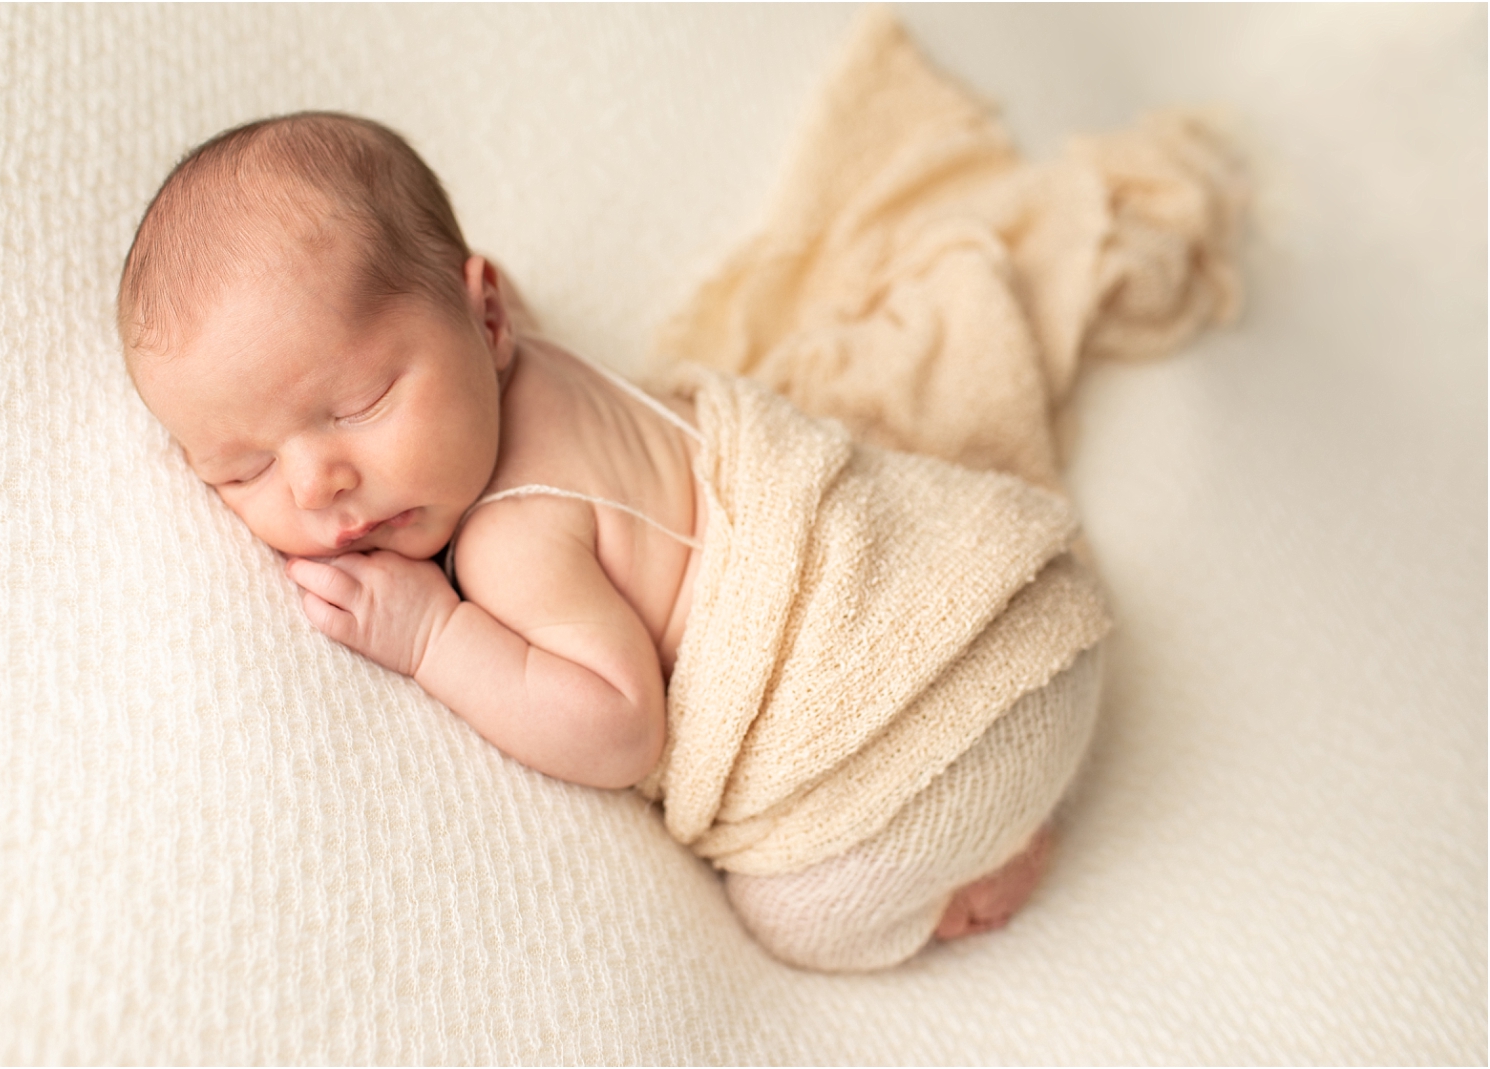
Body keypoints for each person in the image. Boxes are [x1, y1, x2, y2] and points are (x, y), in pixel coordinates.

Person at [121, 111, 1099, 972]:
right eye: (242, 469)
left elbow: (619, 725)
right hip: (1001, 592)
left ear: (486, 314)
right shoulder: (531, 362)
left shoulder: (512, 536)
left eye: (359, 403)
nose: (314, 483)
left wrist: (432, 639)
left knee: (800, 918)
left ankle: (990, 854)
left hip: (943, 720)